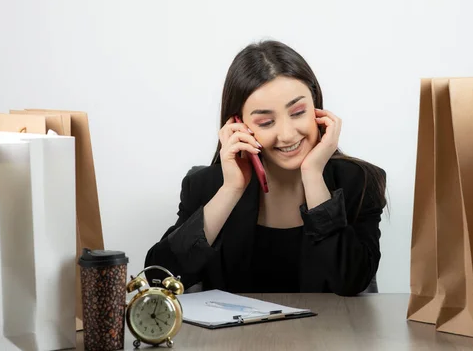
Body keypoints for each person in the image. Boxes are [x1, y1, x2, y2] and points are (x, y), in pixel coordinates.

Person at [145, 40, 387, 296]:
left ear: (316, 108)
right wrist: (231, 190)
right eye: (266, 121)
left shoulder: (359, 182)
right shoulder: (206, 186)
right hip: (236, 337)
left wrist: (313, 176)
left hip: (327, 335)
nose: (286, 134)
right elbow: (160, 277)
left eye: (298, 112)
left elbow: (351, 282)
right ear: (239, 125)